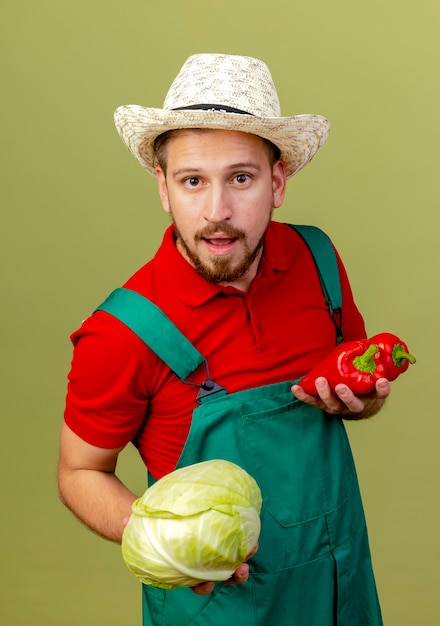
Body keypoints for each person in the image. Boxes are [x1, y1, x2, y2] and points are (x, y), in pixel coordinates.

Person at [58, 53, 390, 625]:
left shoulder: (317, 260)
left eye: (241, 177)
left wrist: (365, 401)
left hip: (338, 584)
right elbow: (79, 471)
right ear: (163, 188)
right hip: (221, 605)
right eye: (192, 181)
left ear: (278, 180)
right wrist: (165, 544)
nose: (217, 212)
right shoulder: (122, 333)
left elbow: (353, 385)